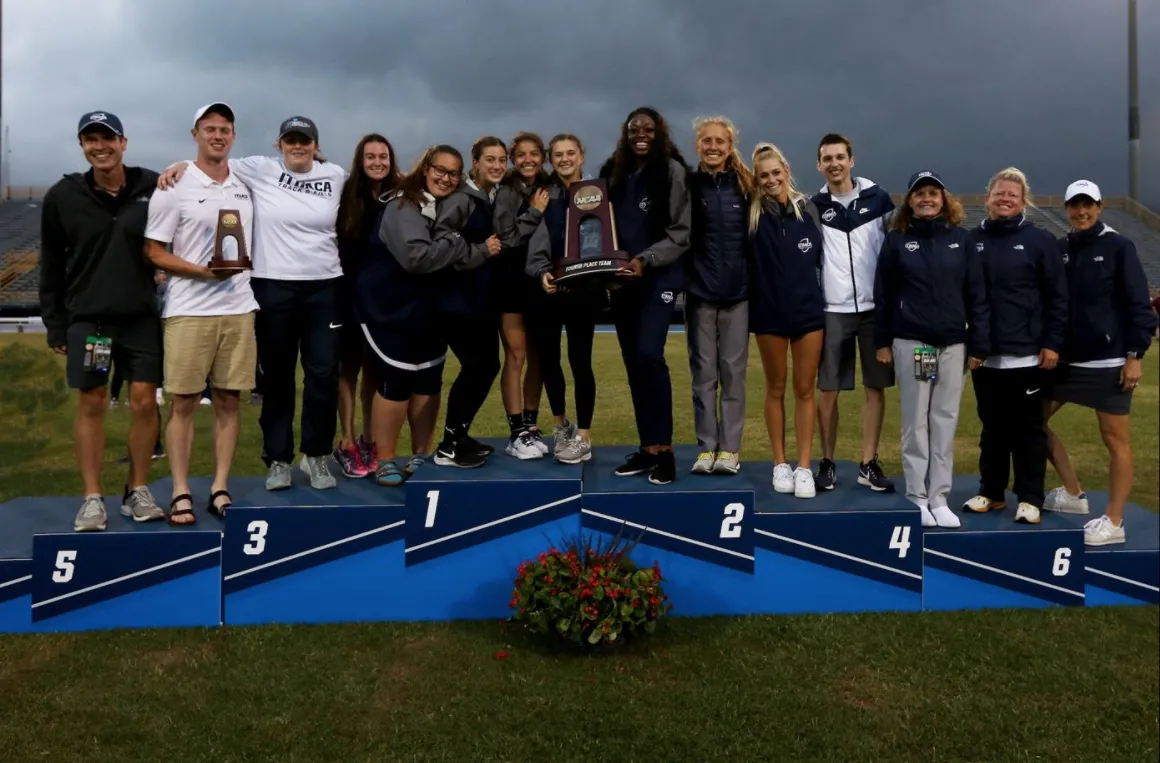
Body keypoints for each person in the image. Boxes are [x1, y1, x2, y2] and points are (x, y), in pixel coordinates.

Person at [159, 115, 347, 491]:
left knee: (323, 374)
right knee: (277, 377)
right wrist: (177, 165)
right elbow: (211, 162)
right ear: (280, 144)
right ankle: (278, 459)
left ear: (316, 145)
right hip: (273, 284)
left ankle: (316, 456)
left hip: (324, 286)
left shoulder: (337, 175)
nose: (298, 146)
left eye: (305, 141)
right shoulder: (260, 168)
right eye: (291, 140)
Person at [39, 111, 166, 532]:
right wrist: (55, 324)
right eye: (91, 140)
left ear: (123, 142)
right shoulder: (63, 195)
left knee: (145, 401)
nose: (100, 146)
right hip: (90, 321)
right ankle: (93, 499)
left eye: (107, 139)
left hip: (141, 317)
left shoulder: (152, 185)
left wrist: (181, 167)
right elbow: (52, 264)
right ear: (82, 146)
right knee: (92, 401)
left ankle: (137, 490)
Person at [357, 145, 500, 485]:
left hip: (428, 308)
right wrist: (460, 242)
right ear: (425, 168)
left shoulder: (441, 204)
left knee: (428, 379)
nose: (446, 178)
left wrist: (462, 247)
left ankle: (421, 453)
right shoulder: (402, 203)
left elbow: (447, 255)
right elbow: (417, 258)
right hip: (390, 306)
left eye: (453, 173)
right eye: (440, 170)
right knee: (396, 381)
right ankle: (386, 458)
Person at [144, 102, 258, 523]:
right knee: (185, 402)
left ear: (233, 135)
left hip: (240, 308)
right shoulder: (173, 186)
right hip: (189, 309)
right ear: (195, 134)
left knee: (229, 400)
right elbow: (152, 251)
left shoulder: (245, 181)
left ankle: (220, 486)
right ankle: (179, 490)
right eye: (209, 128)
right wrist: (201, 272)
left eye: (225, 129)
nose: (218, 135)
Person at [1043, 180, 1156, 545]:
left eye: (1087, 205)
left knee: (1114, 438)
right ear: (1067, 209)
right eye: (1075, 206)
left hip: (1108, 363)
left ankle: (1114, 521)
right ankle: (1074, 494)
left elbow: (1139, 305)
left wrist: (1135, 356)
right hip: (1064, 362)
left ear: (1100, 206)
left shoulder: (1119, 247)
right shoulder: (1061, 249)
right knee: (1030, 419)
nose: (1081, 212)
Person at [873, 171, 989, 528]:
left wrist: (978, 344)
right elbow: (884, 294)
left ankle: (939, 496)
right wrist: (882, 341)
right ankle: (916, 496)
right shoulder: (897, 240)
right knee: (916, 421)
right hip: (915, 343)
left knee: (944, 420)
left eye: (933, 193)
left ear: (943, 198)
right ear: (910, 201)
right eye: (919, 193)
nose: (926, 199)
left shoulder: (961, 240)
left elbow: (977, 294)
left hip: (953, 345)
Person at [962, 167, 1067, 524]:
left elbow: (1057, 298)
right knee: (992, 430)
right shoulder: (971, 239)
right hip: (985, 358)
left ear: (1024, 201)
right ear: (987, 197)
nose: (1005, 199)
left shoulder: (1040, 241)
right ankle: (992, 492)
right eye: (999, 193)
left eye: (1013, 194)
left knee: (1028, 431)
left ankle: (1029, 497)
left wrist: (1052, 343)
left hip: (1027, 355)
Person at [600, 107, 692, 485]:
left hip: (659, 278)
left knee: (649, 357)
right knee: (633, 364)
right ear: (625, 133)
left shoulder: (671, 171)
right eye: (634, 128)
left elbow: (681, 232)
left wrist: (646, 259)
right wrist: (603, 269)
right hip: (623, 284)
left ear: (660, 133)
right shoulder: (613, 174)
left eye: (648, 128)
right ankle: (647, 448)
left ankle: (665, 451)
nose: (641, 134)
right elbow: (599, 230)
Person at [810, 133, 896, 492]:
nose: (834, 163)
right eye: (827, 158)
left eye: (839, 157)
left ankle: (868, 462)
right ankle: (827, 461)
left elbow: (896, 253)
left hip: (874, 311)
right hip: (833, 310)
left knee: (875, 388)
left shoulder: (879, 200)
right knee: (828, 389)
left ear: (852, 160)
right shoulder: (814, 206)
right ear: (819, 165)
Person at [748, 143, 826, 499]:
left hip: (809, 314)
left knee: (805, 390)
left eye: (776, 173)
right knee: (776, 388)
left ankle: (805, 467)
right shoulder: (750, 216)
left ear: (787, 171)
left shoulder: (808, 210)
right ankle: (780, 463)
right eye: (763, 175)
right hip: (769, 315)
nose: (771, 180)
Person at [525, 133, 603, 465]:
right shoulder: (544, 195)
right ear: (550, 158)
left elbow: (605, 239)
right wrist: (541, 272)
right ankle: (560, 426)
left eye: (571, 152)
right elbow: (536, 243)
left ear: (582, 155)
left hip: (583, 292)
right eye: (558, 154)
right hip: (550, 291)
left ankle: (583, 435)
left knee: (580, 362)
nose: (564, 159)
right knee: (548, 362)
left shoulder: (597, 194)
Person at [684, 116, 754, 476]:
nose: (713, 147)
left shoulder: (745, 185)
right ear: (698, 145)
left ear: (730, 146)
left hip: (738, 295)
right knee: (704, 376)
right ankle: (705, 448)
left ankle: (729, 450)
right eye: (706, 141)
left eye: (720, 142)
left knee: (733, 375)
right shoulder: (688, 184)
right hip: (699, 294)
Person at [431, 137, 505, 467]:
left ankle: (458, 435)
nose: (497, 165)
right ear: (475, 163)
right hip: (457, 300)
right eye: (490, 159)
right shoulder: (461, 199)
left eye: (502, 160)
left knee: (488, 365)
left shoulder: (487, 197)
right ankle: (449, 444)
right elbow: (442, 245)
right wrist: (480, 252)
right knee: (478, 366)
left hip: (481, 299)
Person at [332, 133, 401, 478]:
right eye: (371, 156)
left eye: (383, 157)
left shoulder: (400, 197)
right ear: (361, 160)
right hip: (347, 294)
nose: (377, 162)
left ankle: (369, 439)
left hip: (383, 299)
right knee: (348, 369)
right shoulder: (346, 195)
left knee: (376, 369)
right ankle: (345, 441)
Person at [494, 133, 553, 455]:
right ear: (514, 159)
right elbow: (506, 240)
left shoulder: (551, 188)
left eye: (534, 154)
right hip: (511, 282)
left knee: (540, 358)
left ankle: (530, 425)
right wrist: (533, 212)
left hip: (542, 282)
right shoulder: (505, 191)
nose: (528, 159)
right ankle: (516, 431)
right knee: (516, 356)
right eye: (521, 155)